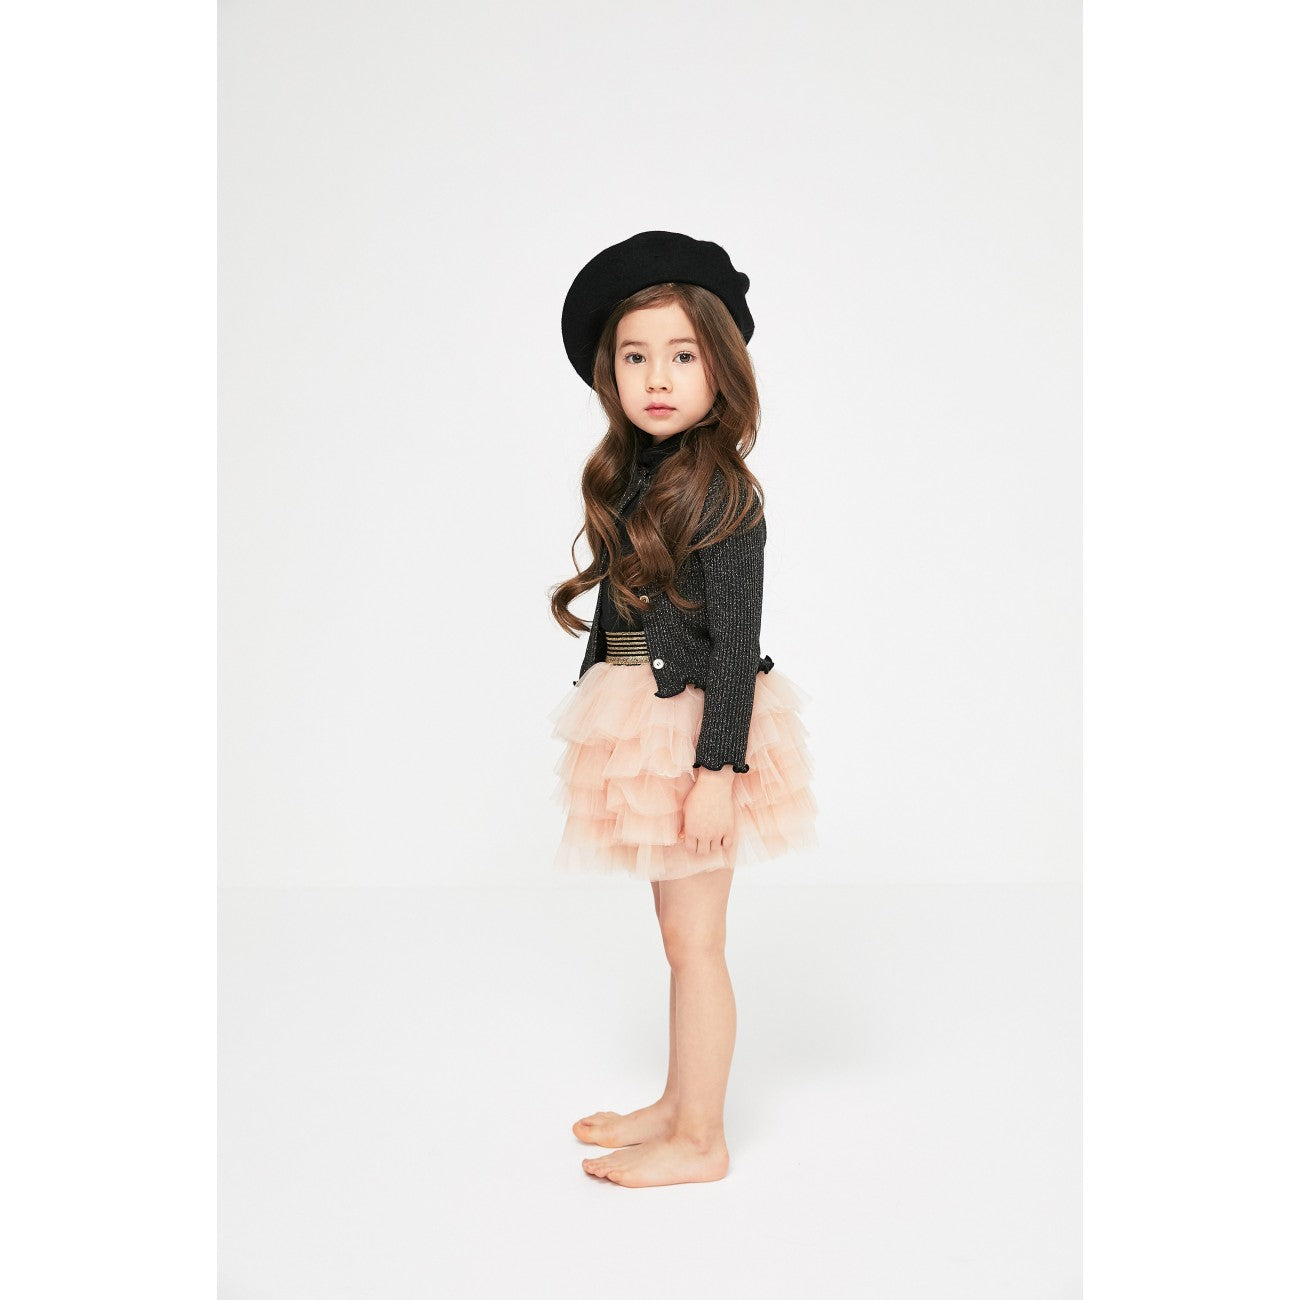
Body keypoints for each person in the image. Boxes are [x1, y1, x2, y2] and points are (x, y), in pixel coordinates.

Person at [547, 230, 818, 1186]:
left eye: (683, 355)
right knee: (678, 937)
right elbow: (624, 613)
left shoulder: (726, 496)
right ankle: (678, 1102)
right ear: (610, 373)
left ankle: (701, 1139)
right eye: (635, 356)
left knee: (697, 943)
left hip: (700, 727)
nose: (657, 378)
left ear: (721, 369)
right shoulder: (636, 477)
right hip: (644, 724)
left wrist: (717, 770)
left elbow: (736, 645)